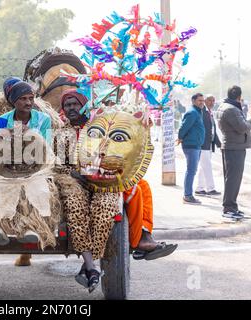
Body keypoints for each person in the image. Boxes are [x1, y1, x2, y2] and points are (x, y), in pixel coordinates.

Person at [59, 89, 176, 292]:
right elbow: (59, 162)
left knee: (139, 189)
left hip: (104, 179)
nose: (71, 108)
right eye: (67, 105)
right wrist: (76, 173)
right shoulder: (61, 131)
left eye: (75, 104)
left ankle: (142, 236)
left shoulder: (98, 123)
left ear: (84, 105)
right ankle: (134, 242)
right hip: (76, 182)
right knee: (133, 192)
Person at [0, 77, 52, 245]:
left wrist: (29, 135)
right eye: (23, 99)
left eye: (31, 98)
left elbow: (47, 148)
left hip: (36, 167)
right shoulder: (1, 121)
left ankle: (29, 227)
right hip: (8, 165)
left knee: (33, 189)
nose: (28, 102)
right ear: (14, 101)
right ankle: (1, 226)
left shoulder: (44, 120)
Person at [217, 86, 251, 220]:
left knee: (231, 179)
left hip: (231, 145)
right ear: (239, 96)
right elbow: (242, 127)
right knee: (233, 179)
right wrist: (250, 122)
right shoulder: (232, 109)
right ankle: (229, 208)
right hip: (235, 147)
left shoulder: (223, 106)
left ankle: (231, 206)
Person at [177, 93, 205, 205]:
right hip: (191, 146)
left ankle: (188, 195)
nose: (202, 102)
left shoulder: (198, 112)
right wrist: (180, 137)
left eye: (203, 100)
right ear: (193, 101)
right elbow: (183, 127)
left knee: (192, 171)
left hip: (196, 145)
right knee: (191, 171)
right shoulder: (192, 112)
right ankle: (187, 196)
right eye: (199, 100)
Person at [195, 94, 222, 196]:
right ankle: (211, 189)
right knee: (207, 167)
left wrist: (218, 143)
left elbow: (213, 130)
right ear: (205, 101)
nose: (212, 103)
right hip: (203, 144)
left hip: (209, 144)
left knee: (204, 167)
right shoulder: (202, 112)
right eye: (210, 100)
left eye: (213, 101)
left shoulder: (209, 113)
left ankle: (200, 188)